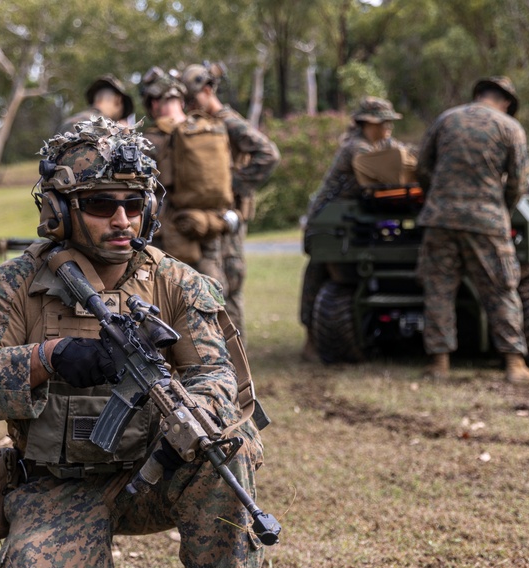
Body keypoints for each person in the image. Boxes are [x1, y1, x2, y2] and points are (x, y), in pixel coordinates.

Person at [0, 118, 265, 568]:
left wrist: (187, 417)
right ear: (59, 210)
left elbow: (218, 379)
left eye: (134, 204)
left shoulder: (176, 282)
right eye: (99, 204)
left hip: (156, 472)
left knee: (229, 450)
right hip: (57, 484)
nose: (122, 219)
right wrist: (50, 359)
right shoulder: (17, 284)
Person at [414, 76, 529, 383]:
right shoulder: (510, 127)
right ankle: (514, 363)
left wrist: (439, 197)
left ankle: (439, 363)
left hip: (439, 219)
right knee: (501, 289)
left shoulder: (446, 119)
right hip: (486, 221)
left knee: (439, 290)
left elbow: (422, 168)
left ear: (478, 94)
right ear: (507, 103)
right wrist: (500, 210)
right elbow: (520, 182)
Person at [299, 96, 407, 361]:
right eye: (385, 122)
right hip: (326, 221)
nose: (389, 128)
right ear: (369, 123)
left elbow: (404, 155)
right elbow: (386, 172)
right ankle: (311, 341)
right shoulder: (356, 147)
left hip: (351, 219)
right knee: (321, 273)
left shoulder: (380, 143)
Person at [182, 63, 280, 337]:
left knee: (230, 286)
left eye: (193, 98)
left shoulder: (227, 120)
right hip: (216, 219)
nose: (189, 105)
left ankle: (238, 367)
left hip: (230, 219)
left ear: (209, 89)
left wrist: (231, 185)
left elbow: (268, 154)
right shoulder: (203, 125)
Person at [138, 66, 232, 292]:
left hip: (168, 238)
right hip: (208, 228)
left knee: (167, 302)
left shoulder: (150, 140)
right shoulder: (208, 130)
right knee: (213, 298)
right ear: (181, 101)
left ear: (153, 104)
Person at [56, 74, 134, 134]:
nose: (119, 119)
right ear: (118, 100)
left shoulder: (67, 123)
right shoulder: (110, 131)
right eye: (121, 113)